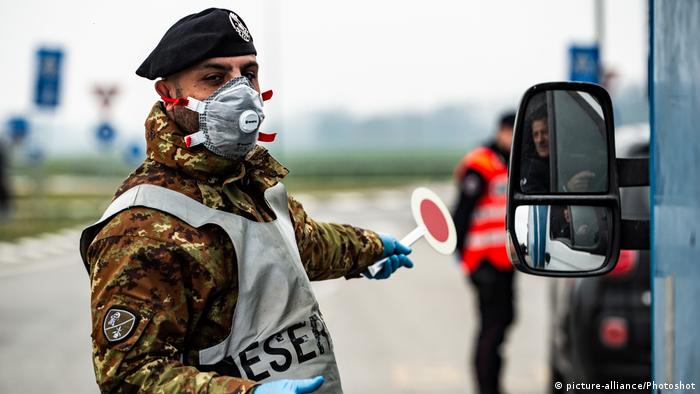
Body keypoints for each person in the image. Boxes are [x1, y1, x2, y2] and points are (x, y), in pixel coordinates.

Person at [79, 8, 413, 394]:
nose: (240, 92)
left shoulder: (250, 183)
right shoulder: (142, 225)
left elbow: (301, 245)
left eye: (248, 74)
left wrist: (370, 247)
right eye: (214, 77)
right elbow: (129, 376)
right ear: (169, 95)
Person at [452, 112, 516, 394]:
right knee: (491, 328)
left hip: (504, 261)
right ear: (502, 132)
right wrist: (461, 255)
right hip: (484, 263)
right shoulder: (481, 164)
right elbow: (462, 213)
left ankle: (493, 384)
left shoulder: (507, 164)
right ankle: (486, 386)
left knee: (503, 322)